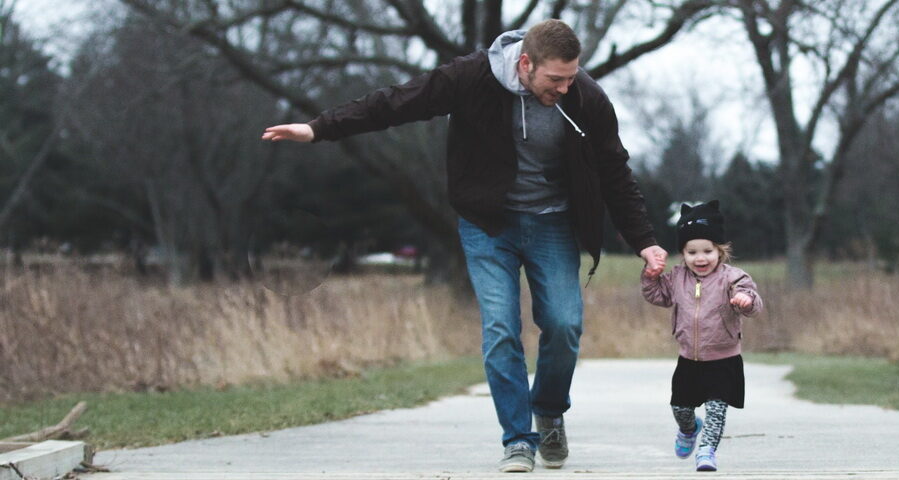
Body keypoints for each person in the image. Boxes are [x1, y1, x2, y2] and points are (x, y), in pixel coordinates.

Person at [262, 19, 668, 473]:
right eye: (556, 79)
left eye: (571, 77)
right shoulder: (471, 76)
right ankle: (518, 439)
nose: (564, 88)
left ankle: (550, 410)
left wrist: (645, 242)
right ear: (525, 63)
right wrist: (318, 128)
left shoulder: (585, 97)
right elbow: (397, 102)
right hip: (487, 223)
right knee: (501, 329)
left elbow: (615, 171)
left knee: (564, 324)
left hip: (552, 222)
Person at [640, 200, 762, 472]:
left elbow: (753, 300)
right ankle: (689, 429)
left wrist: (746, 300)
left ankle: (707, 452)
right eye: (692, 252)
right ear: (683, 253)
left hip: (724, 360)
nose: (700, 258)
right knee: (680, 409)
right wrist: (650, 277)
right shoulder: (676, 278)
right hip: (689, 360)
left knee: (716, 411)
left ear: (720, 250)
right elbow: (656, 295)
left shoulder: (733, 278)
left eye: (708, 251)